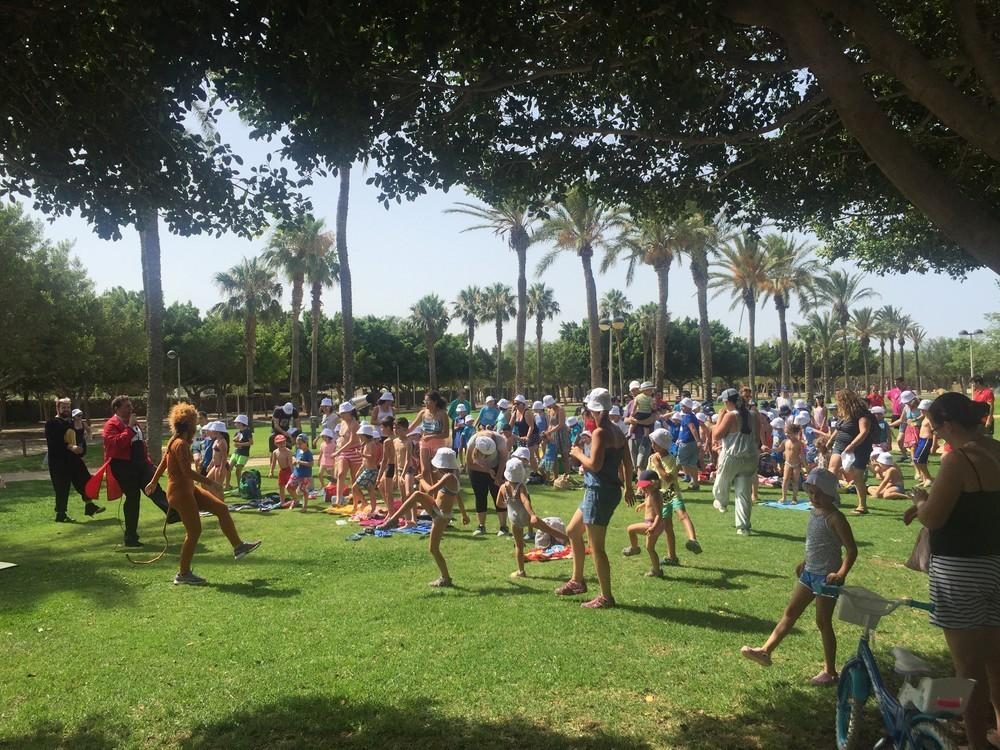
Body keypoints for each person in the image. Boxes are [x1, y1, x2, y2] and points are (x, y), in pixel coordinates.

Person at [903, 392, 1000, 750]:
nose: (935, 433)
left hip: (960, 569)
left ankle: (976, 742)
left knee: (967, 667)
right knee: (995, 658)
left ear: (951, 425)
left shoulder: (958, 461)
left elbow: (935, 517)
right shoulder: (997, 449)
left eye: (936, 427)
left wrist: (920, 502)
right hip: (995, 563)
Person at [740, 468, 857, 685]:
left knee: (823, 622)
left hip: (826, 579)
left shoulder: (836, 518)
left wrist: (841, 573)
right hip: (809, 573)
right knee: (791, 612)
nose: (814, 498)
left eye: (819, 494)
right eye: (811, 493)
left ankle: (830, 672)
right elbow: (816, 543)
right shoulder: (813, 513)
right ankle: (766, 651)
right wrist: (805, 562)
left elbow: (851, 550)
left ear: (831, 493)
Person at [145, 403, 261, 585]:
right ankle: (183, 574)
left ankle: (238, 547)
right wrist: (211, 482)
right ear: (190, 425)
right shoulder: (180, 444)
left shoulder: (175, 441)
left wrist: (153, 481)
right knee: (194, 531)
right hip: (180, 493)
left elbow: (164, 463)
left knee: (221, 508)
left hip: (188, 489)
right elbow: (186, 471)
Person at [554, 389, 635, 609]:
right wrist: (628, 487)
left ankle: (606, 597)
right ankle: (577, 581)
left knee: (597, 547)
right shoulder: (618, 431)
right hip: (603, 491)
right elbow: (628, 463)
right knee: (572, 531)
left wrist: (578, 454)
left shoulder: (600, 433)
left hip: (599, 491)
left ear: (593, 409)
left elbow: (595, 466)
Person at [86, 395, 177, 549]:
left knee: (154, 488)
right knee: (133, 498)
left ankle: (173, 514)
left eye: (130, 405)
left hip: (141, 464)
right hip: (123, 466)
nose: (131, 409)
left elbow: (141, 444)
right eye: (127, 406)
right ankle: (131, 537)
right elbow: (115, 445)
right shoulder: (111, 425)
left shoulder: (134, 423)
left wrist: (148, 463)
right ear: (117, 408)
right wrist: (129, 428)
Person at [378, 447, 470, 587]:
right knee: (416, 496)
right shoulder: (452, 477)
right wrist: (464, 515)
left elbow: (431, 490)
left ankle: (446, 579)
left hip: (441, 516)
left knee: (433, 549)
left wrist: (421, 480)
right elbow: (458, 497)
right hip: (437, 510)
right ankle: (393, 520)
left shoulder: (448, 477)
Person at [499, 458, 566, 579]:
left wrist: (507, 504)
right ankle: (570, 540)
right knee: (550, 530)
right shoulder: (521, 487)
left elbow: (499, 504)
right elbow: (525, 500)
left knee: (518, 545)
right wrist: (533, 515)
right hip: (527, 518)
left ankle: (521, 571)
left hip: (514, 520)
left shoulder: (503, 487)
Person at [647, 429, 702, 562]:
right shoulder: (651, 458)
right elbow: (647, 477)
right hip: (660, 497)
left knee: (682, 514)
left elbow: (669, 478)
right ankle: (672, 556)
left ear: (662, 444)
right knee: (667, 526)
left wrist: (658, 465)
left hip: (672, 492)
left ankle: (692, 540)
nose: (652, 445)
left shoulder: (673, 460)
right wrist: (643, 490)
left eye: (655, 443)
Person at [45, 397, 103, 522]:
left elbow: (79, 438)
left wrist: (81, 447)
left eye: (68, 407)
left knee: (85, 481)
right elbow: (54, 443)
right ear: (58, 408)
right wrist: (70, 447)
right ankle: (61, 514)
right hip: (58, 462)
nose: (66, 409)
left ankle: (90, 506)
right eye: (63, 407)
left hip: (74, 460)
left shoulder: (72, 422)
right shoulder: (52, 423)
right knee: (62, 488)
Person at [712, 388, 760, 536]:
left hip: (732, 457)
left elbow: (716, 435)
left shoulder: (730, 416)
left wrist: (720, 417)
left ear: (727, 402)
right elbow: (757, 438)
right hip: (751, 457)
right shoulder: (754, 415)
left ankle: (721, 502)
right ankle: (743, 527)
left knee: (721, 482)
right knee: (744, 494)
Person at [827, 390, 875, 516]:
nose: (838, 404)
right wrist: (830, 441)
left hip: (860, 448)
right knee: (831, 471)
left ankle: (862, 505)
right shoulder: (844, 414)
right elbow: (838, 429)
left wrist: (852, 445)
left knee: (857, 477)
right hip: (840, 445)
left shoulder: (862, 414)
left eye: (839, 401)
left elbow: (864, 432)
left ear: (846, 401)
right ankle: (829, 500)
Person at [622, 469, 666, 578]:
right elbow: (649, 502)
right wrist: (642, 505)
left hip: (653, 524)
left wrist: (653, 527)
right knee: (650, 548)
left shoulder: (654, 496)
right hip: (653, 524)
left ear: (654, 483)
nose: (643, 488)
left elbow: (659, 515)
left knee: (630, 529)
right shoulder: (652, 493)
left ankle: (634, 548)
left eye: (645, 486)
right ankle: (657, 570)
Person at [466, 431, 509, 536]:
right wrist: (487, 470)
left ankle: (503, 527)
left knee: (498, 495)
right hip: (477, 469)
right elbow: (470, 464)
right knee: (480, 496)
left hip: (497, 467)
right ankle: (481, 526)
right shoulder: (472, 442)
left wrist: (499, 475)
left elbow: (503, 458)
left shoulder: (500, 440)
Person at [414, 391, 450, 475]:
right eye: (424, 401)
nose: (425, 403)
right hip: (424, 444)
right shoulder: (423, 413)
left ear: (435, 402)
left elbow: (446, 434)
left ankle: (437, 487)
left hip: (438, 444)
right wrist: (401, 432)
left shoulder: (442, 414)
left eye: (428, 401)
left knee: (436, 471)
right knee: (425, 471)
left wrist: (431, 436)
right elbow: (412, 427)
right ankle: (427, 488)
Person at [542, 394, 572, 488]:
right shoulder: (549, 410)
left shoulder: (560, 409)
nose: (547, 407)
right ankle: (555, 477)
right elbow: (551, 424)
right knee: (553, 456)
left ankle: (567, 476)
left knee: (564, 455)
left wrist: (549, 431)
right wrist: (548, 432)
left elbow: (561, 424)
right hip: (553, 434)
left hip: (562, 434)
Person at [675, 397, 702, 490]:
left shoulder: (687, 417)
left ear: (687, 407)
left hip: (687, 443)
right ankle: (695, 483)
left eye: (683, 406)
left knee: (680, 462)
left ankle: (672, 482)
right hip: (692, 442)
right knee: (692, 464)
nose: (681, 407)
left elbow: (692, 428)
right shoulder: (692, 416)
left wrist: (698, 440)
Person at [352, 423, 381, 513]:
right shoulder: (366, 444)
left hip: (371, 471)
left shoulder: (371, 444)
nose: (360, 438)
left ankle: (362, 504)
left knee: (355, 487)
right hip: (367, 469)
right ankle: (371, 507)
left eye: (361, 436)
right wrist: (360, 469)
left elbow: (371, 456)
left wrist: (361, 454)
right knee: (370, 490)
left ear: (366, 435)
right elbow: (364, 460)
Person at [286, 433, 314, 512]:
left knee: (303, 490)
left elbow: (311, 464)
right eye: (297, 444)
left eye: (300, 444)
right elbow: (294, 456)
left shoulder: (308, 453)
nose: (298, 445)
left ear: (305, 443)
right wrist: (294, 460)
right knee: (288, 487)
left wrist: (300, 462)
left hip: (304, 475)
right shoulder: (298, 450)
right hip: (296, 473)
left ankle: (304, 507)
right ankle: (295, 499)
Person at [912, 399, 936, 487]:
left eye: (923, 409)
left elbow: (935, 431)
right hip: (921, 440)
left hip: (926, 440)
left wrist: (934, 445)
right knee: (916, 459)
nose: (921, 410)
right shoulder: (925, 416)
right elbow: (920, 417)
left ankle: (929, 478)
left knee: (919, 460)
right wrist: (914, 420)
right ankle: (925, 478)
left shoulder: (931, 418)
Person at [781, 423, 805, 505]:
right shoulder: (785, 441)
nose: (786, 434)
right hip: (787, 463)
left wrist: (806, 466)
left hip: (796, 464)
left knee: (795, 481)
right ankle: (783, 497)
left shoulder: (799, 443)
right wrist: (770, 450)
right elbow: (778, 449)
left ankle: (794, 498)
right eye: (786, 433)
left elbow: (802, 455)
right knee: (785, 480)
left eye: (788, 433)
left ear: (795, 433)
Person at [229, 414, 253, 488]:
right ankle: (227, 485)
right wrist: (236, 442)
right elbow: (235, 441)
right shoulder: (238, 432)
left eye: (237, 422)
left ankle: (240, 486)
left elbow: (251, 442)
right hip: (236, 452)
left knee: (238, 470)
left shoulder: (247, 431)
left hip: (243, 454)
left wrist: (241, 444)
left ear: (241, 423)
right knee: (228, 468)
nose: (235, 424)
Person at [268, 434, 293, 504]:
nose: (282, 444)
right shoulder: (275, 452)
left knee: (290, 487)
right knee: (281, 487)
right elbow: (273, 463)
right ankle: (282, 502)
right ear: (276, 444)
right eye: (280, 443)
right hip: (282, 471)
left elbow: (290, 463)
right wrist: (271, 472)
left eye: (283, 442)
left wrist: (293, 473)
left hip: (288, 470)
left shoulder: (288, 452)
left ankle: (295, 499)